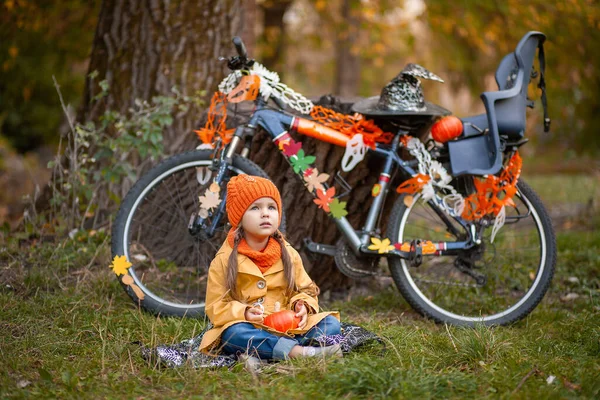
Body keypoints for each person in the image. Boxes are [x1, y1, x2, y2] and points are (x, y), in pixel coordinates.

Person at [199, 174, 342, 361]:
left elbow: (306, 289)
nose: (265, 213)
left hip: (290, 327)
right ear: (239, 218)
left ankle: (261, 355)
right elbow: (215, 306)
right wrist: (243, 312)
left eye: (272, 207)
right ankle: (300, 353)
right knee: (232, 334)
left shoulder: (288, 253)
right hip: (252, 328)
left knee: (330, 324)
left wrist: (302, 305)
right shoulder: (225, 259)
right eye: (255, 208)